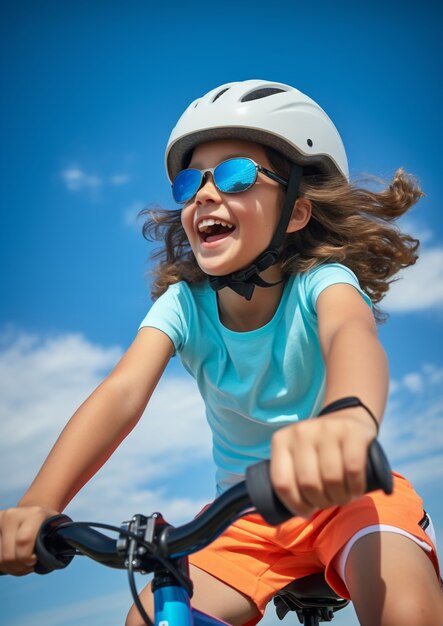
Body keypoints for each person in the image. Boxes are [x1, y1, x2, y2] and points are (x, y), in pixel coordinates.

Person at [0, 80, 441, 626]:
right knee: (150, 618)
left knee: (409, 609)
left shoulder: (323, 283)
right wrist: (40, 503)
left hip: (346, 495)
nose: (206, 193)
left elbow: (351, 336)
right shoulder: (184, 304)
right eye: (192, 181)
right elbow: (121, 393)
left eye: (235, 175)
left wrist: (348, 418)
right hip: (244, 518)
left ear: (298, 213)